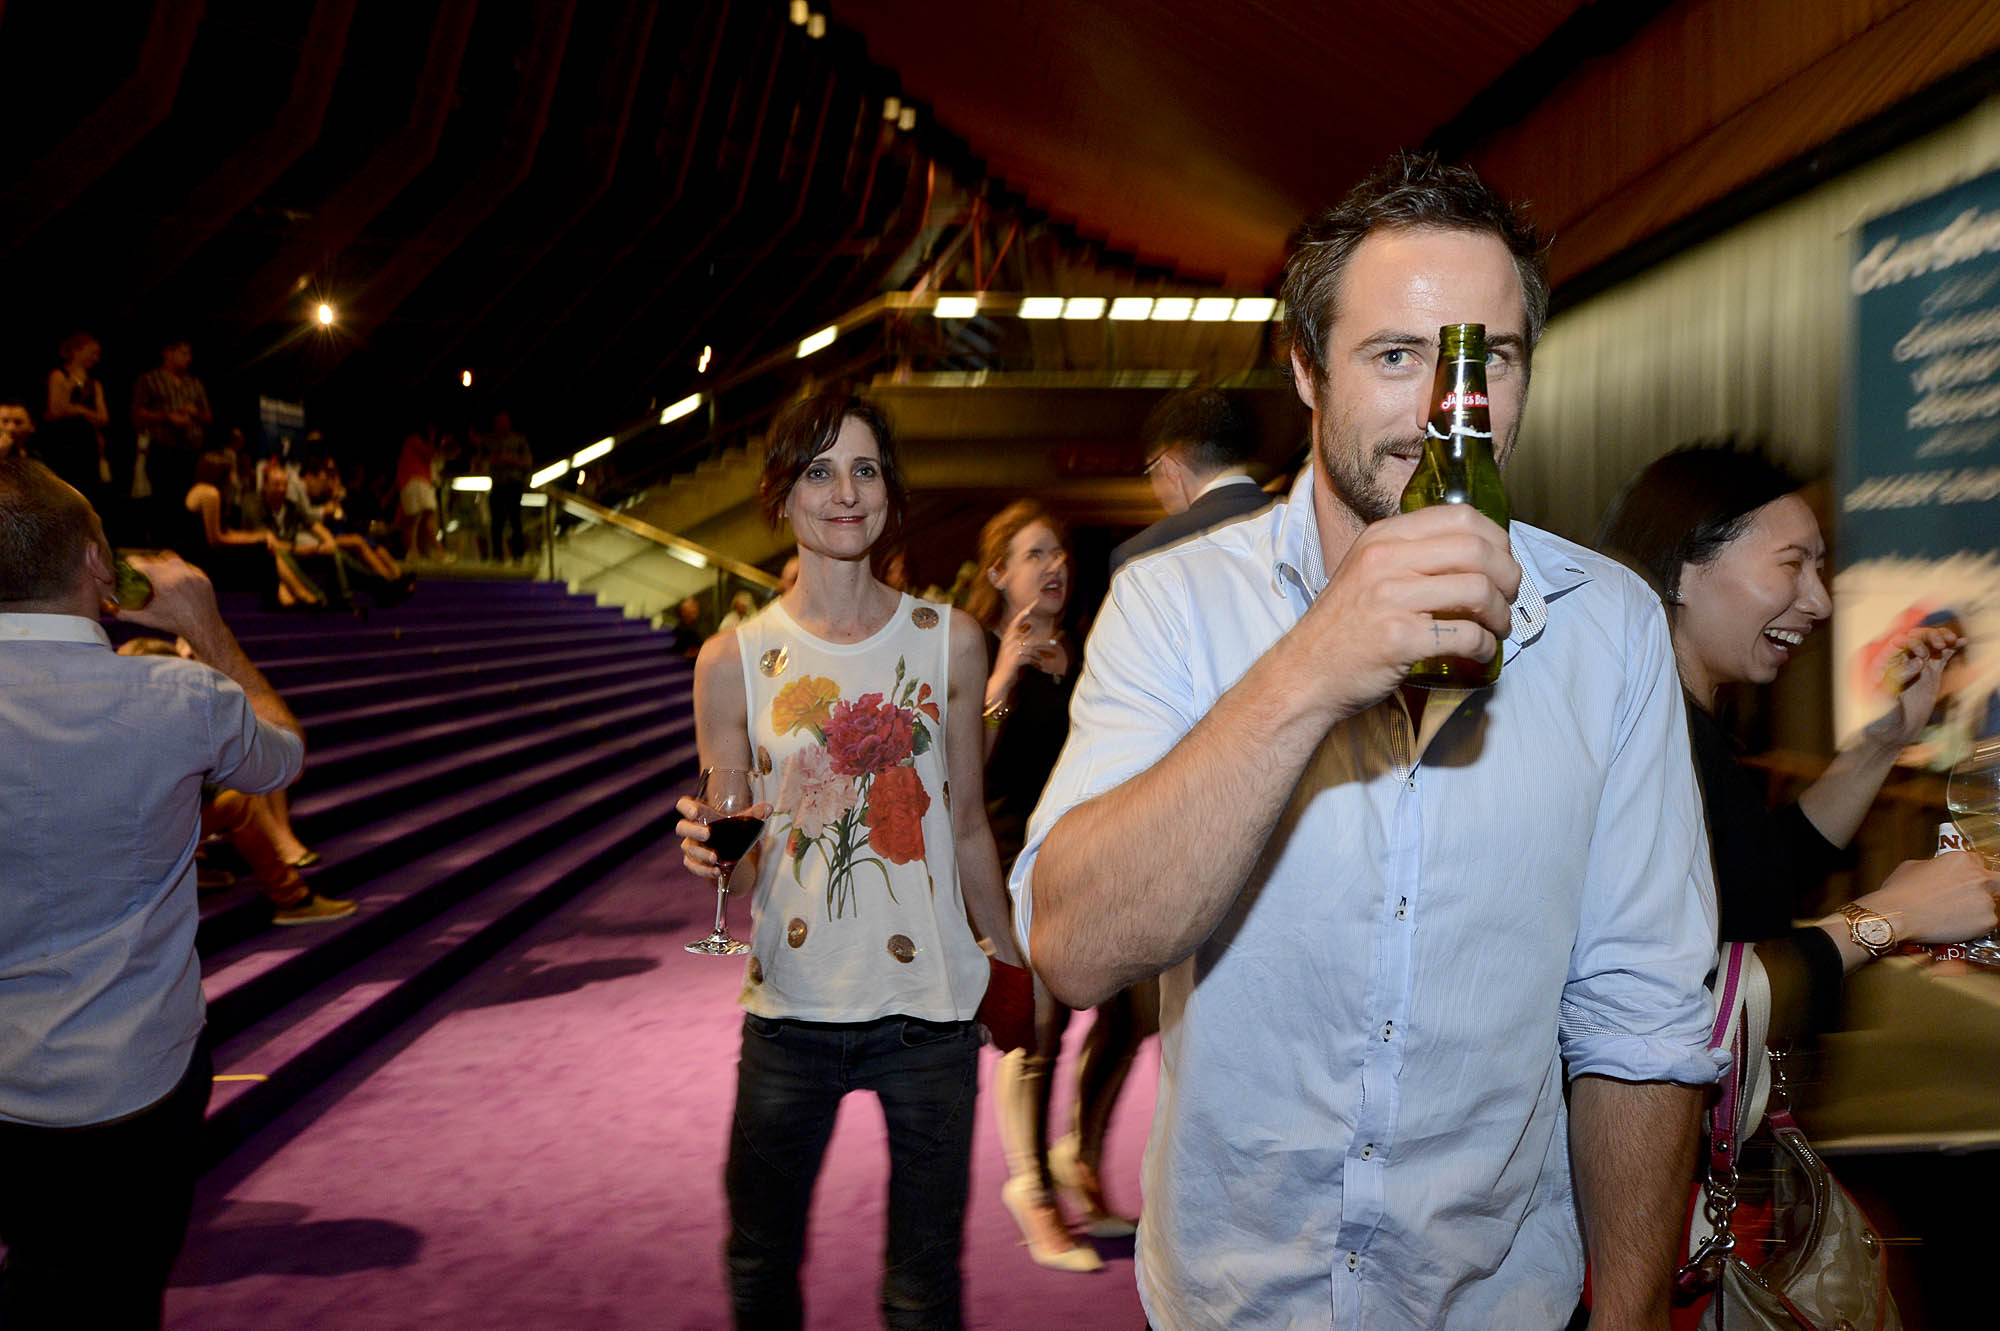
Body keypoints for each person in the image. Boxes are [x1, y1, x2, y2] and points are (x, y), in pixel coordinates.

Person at [1012, 152, 1723, 1329]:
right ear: (1305, 369)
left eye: (1485, 358)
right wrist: (1306, 668)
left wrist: (1632, 1311)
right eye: (1396, 356)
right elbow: (1077, 948)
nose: (1447, 407)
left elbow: (1637, 1018)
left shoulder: (1608, 629)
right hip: (1229, 1304)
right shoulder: (1174, 603)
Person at [675, 391, 1026, 1330]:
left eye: (865, 469)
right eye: (819, 470)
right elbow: (739, 847)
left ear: (889, 492)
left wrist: (1012, 958)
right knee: (760, 1265)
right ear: (782, 494)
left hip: (929, 1017)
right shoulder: (732, 660)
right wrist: (713, 848)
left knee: (923, 1294)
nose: (844, 492)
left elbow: (963, 826)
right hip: (792, 1007)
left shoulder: (948, 639)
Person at [0, 455, 306, 1328]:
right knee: (117, 1295)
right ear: (99, 563)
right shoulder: (178, 696)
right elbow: (281, 749)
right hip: (133, 1081)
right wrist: (206, 625)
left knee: (44, 1273)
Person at [1598, 444, 1998, 1035]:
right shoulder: (1645, 744)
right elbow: (1681, 1001)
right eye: (1792, 565)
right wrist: (1894, 916)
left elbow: (1760, 873)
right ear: (1682, 571)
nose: (1820, 600)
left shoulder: (1684, 729)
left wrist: (1887, 740)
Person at [969, 501, 1139, 1272]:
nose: (1053, 566)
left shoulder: (1086, 644)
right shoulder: (970, 645)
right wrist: (1005, 671)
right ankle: (1032, 1188)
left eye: (1059, 552)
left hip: (1087, 852)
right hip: (1008, 854)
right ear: (998, 572)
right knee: (1037, 1029)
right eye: (1032, 554)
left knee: (1131, 1011)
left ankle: (1082, 1155)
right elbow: (963, 763)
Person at [1108, 386, 1270, 574]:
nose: (1155, 491)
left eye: (1151, 474)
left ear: (1169, 468)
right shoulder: (1301, 523)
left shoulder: (1140, 557)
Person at [130, 338, 213, 536]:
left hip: (191, 452)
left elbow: (208, 416)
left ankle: (184, 545)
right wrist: (167, 417)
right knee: (164, 501)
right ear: (168, 353)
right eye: (183, 353)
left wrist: (194, 412)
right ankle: (162, 543)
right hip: (162, 449)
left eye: (189, 354)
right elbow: (136, 413)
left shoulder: (194, 383)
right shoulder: (150, 379)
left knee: (187, 502)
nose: (188, 359)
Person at [41, 332, 111, 505]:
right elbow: (55, 410)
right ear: (76, 351)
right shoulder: (59, 375)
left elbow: (104, 418)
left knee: (87, 493)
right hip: (63, 442)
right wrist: (78, 405)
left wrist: (79, 410)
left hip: (87, 444)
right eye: (92, 353)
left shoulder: (94, 383)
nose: (96, 358)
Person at [484, 411, 533, 563]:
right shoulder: (489, 442)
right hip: (497, 485)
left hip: (514, 485)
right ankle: (497, 557)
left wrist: (512, 460)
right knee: (496, 523)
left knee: (516, 521)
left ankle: (519, 555)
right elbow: (482, 461)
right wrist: (496, 461)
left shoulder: (518, 440)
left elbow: (527, 462)